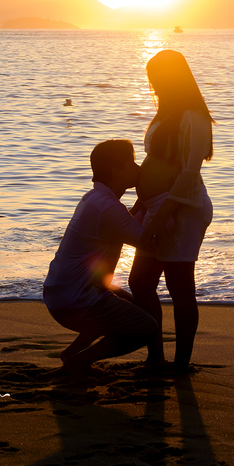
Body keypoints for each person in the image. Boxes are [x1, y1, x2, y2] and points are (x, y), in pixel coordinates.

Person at [128, 49, 215, 373]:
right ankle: (155, 357)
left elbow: (189, 173)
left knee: (180, 288)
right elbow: (155, 164)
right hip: (156, 207)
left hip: (182, 209)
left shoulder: (194, 116)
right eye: (151, 78)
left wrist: (163, 213)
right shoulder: (165, 113)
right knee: (140, 282)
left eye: (158, 77)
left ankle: (180, 363)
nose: (153, 84)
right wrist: (140, 204)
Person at [43, 139, 159, 373]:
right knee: (147, 327)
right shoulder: (108, 208)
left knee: (133, 306)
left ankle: (72, 353)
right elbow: (151, 243)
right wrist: (161, 203)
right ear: (115, 171)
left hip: (62, 294)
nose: (138, 168)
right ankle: (79, 362)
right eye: (132, 163)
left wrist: (145, 201)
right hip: (76, 302)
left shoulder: (95, 198)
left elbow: (127, 224)